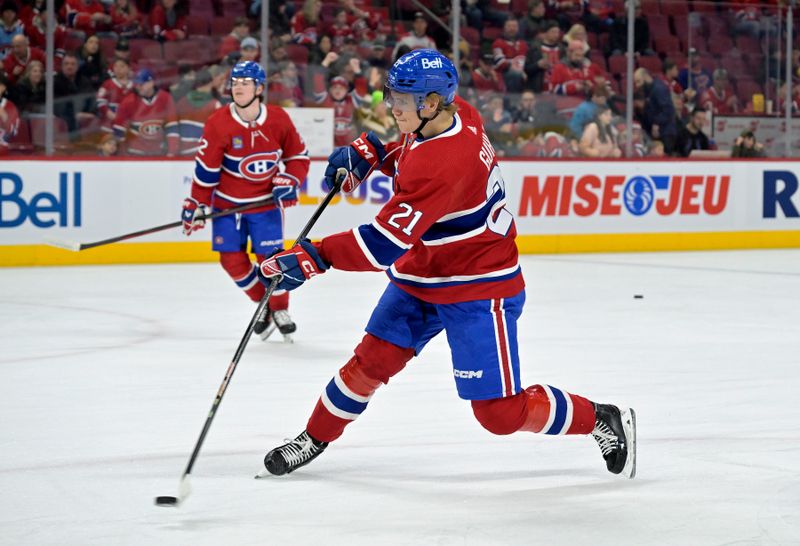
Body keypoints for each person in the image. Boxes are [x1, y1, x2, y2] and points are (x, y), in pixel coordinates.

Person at [255, 49, 637, 479]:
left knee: (498, 414)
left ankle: (600, 417)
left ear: (431, 103)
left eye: (401, 100)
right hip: (424, 273)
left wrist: (316, 256)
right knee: (370, 363)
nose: (390, 107)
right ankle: (314, 436)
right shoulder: (457, 115)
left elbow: (382, 244)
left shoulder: (443, 164)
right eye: (392, 96)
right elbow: (412, 148)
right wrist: (375, 153)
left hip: (478, 285)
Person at [180, 61, 310, 342]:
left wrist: (291, 181)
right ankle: (263, 303)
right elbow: (205, 173)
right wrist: (196, 203)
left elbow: (298, 158)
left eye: (245, 82)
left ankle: (279, 309)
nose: (238, 87)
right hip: (227, 205)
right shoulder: (218, 123)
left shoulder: (278, 119)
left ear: (259, 88)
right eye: (235, 82)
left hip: (265, 206)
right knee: (231, 261)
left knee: (271, 261)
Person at [113, 68, 179, 155]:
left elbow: (172, 128)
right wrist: (122, 153)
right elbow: (119, 130)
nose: (138, 87)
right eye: (137, 84)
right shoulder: (128, 101)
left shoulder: (166, 98)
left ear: (151, 83)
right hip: (135, 153)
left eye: (141, 84)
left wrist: (171, 152)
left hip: (159, 153)